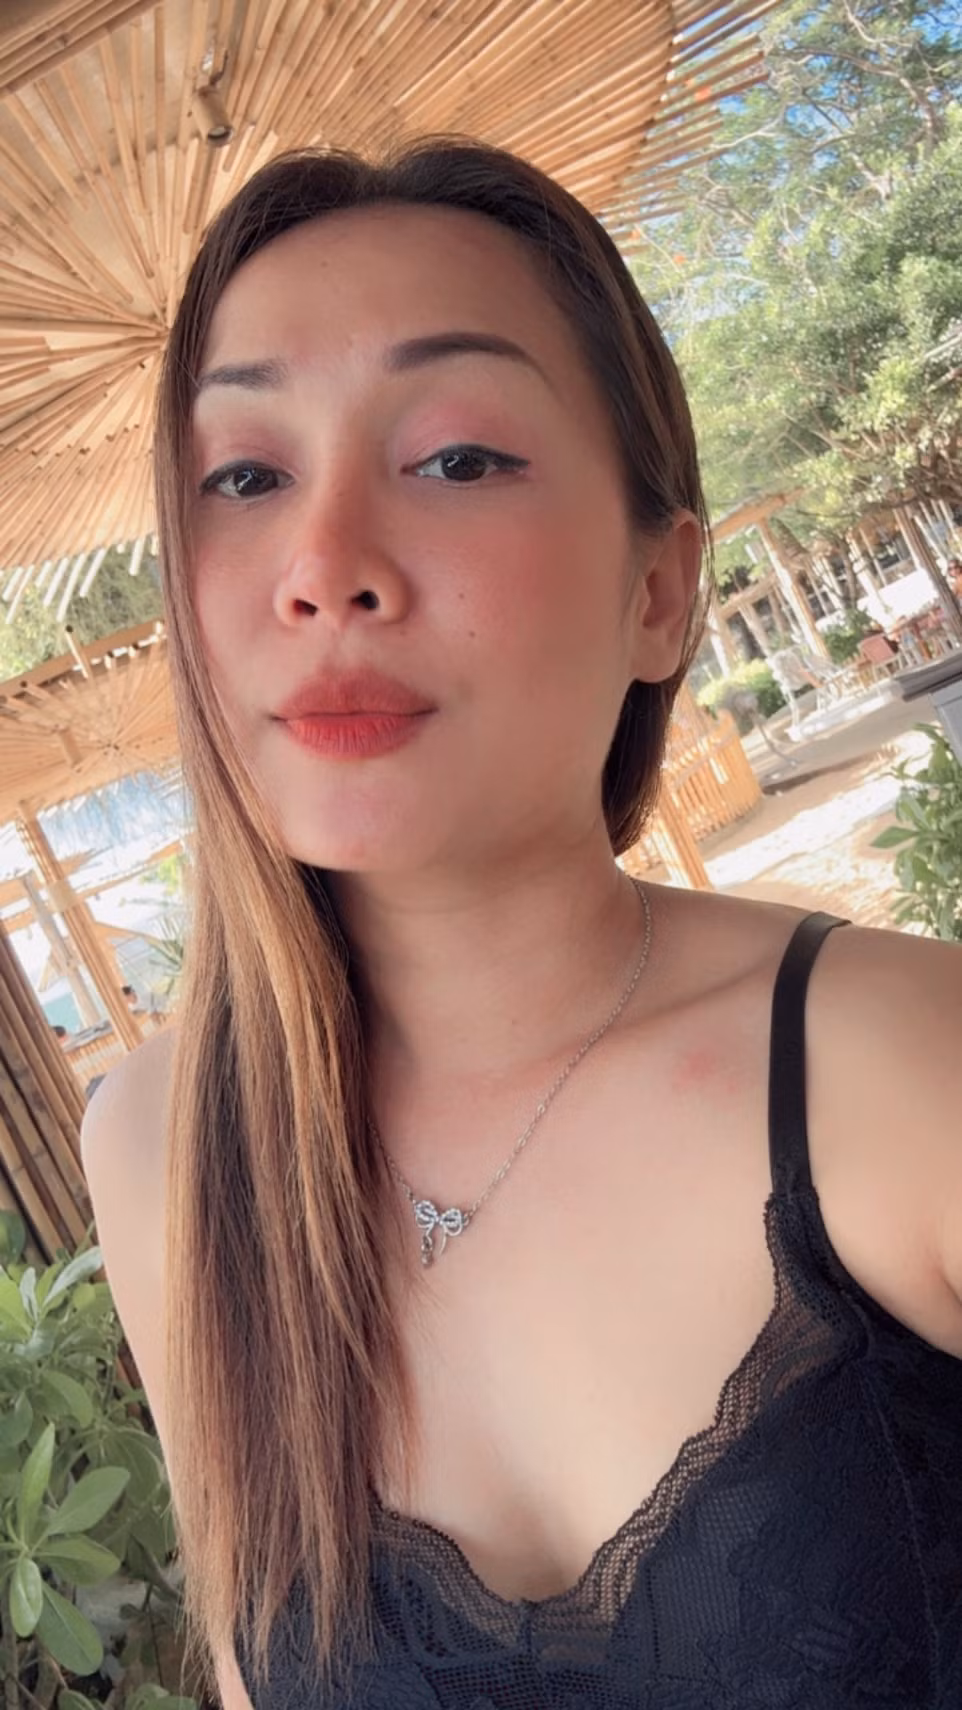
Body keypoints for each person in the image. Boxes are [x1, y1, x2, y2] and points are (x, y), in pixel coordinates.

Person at [79, 142, 962, 1710]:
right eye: (246, 476)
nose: (323, 568)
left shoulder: (900, 1069)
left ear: (657, 591)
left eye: (456, 457)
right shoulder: (166, 1148)